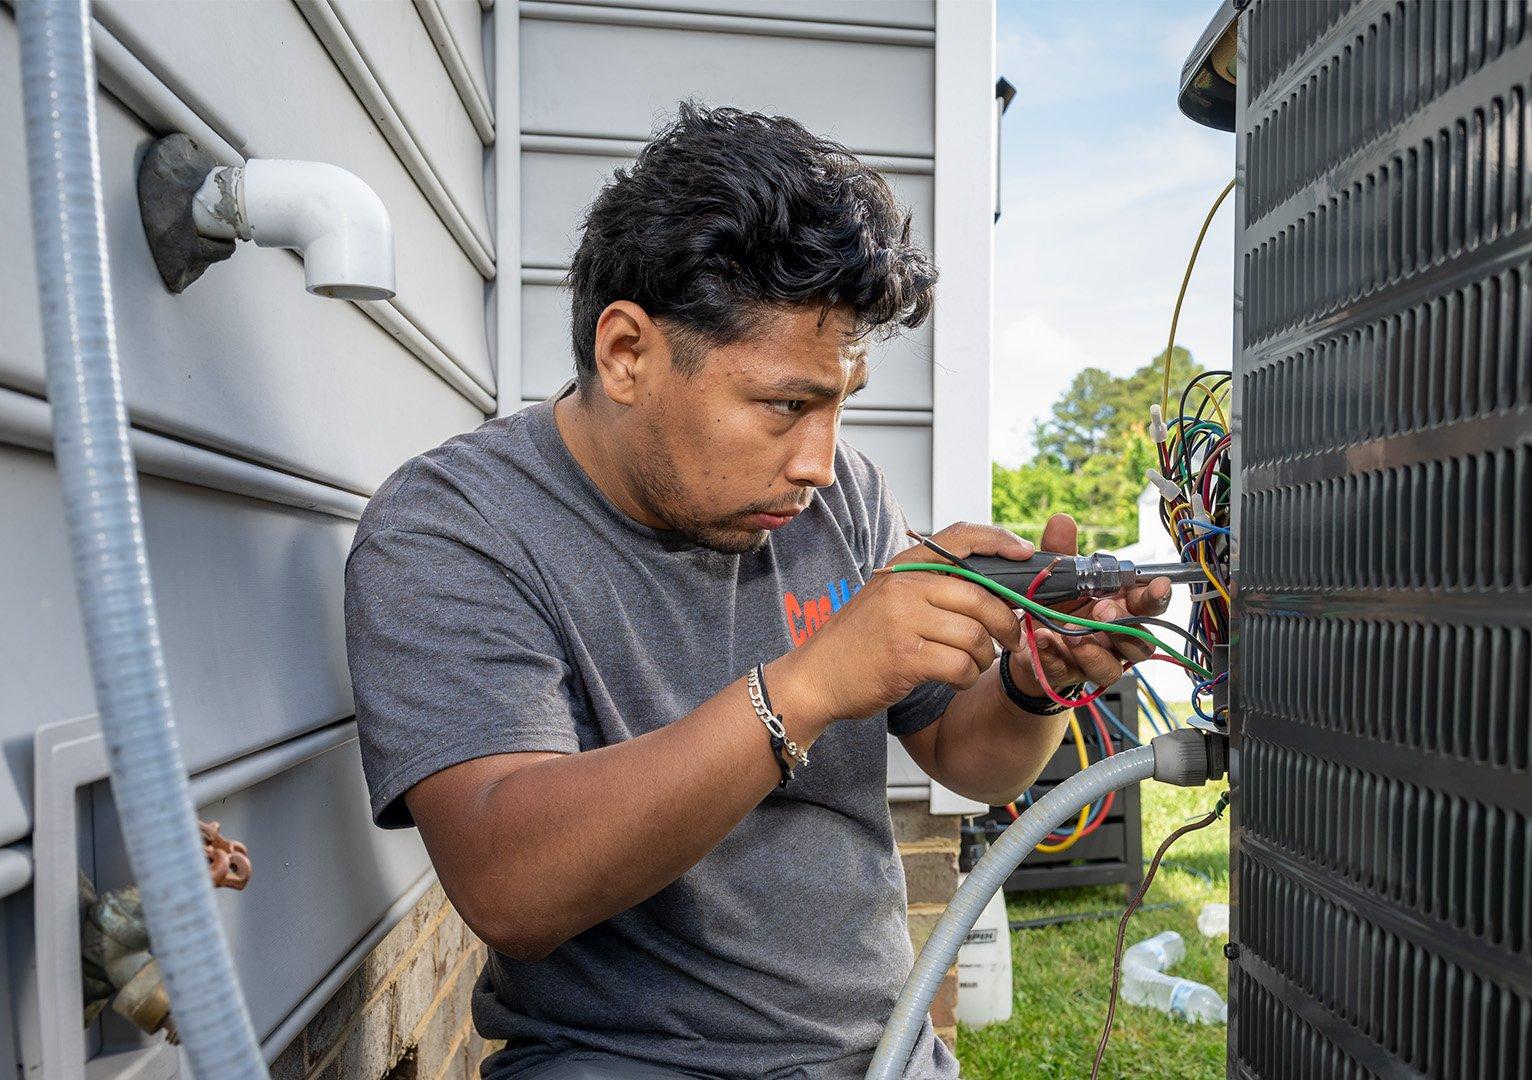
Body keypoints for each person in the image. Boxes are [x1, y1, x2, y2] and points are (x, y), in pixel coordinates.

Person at [344, 103, 1170, 1079]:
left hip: (883, 1050)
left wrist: (1031, 683)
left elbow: (968, 759)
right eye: (785, 406)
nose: (822, 463)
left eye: (837, 408)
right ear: (626, 354)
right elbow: (511, 890)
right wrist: (806, 689)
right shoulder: (454, 528)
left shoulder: (839, 495)